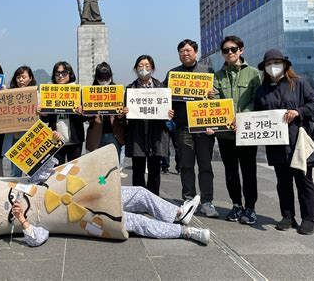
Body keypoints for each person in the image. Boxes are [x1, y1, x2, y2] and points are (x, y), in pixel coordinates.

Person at [10, 158, 209, 247]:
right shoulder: (33, 218)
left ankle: (177, 214)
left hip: (93, 192)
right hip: (90, 215)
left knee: (139, 192)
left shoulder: (30, 183)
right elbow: (37, 238)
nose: (13, 201)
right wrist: (22, 220)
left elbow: (46, 167)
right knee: (136, 221)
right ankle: (186, 232)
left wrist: (55, 140)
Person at [254, 49, 314, 235]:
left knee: (304, 181)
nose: (272, 67)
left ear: (284, 65)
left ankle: (308, 218)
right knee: (283, 182)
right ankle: (288, 216)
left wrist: (299, 111)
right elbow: (257, 115)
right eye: (268, 64)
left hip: (298, 141)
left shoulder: (298, 83)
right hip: (276, 144)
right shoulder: (262, 91)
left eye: (276, 63)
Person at [164, 39, 219, 217]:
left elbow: (218, 100)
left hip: (204, 127)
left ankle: (207, 201)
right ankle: (188, 198)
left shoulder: (207, 71)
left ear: (195, 52)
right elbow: (164, 98)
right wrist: (167, 110)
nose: (185, 54)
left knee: (205, 165)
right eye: (181, 51)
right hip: (183, 127)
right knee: (186, 165)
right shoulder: (173, 74)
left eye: (188, 50)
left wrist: (213, 95)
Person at [213, 36, 261, 225]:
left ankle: (250, 207)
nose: (230, 53)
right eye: (226, 50)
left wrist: (243, 117)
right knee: (230, 171)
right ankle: (236, 205)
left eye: (233, 49)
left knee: (249, 171)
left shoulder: (254, 73)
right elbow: (215, 101)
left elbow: (257, 99)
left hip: (247, 132)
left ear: (241, 50)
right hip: (225, 134)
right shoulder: (217, 76)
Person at [124, 55, 173, 196]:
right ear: (135, 68)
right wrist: (124, 112)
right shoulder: (130, 90)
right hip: (137, 135)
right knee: (138, 171)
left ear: (152, 68)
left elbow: (168, 113)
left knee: (154, 170)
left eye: (147, 65)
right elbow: (123, 118)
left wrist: (168, 113)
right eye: (140, 65)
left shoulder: (162, 88)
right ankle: (138, 200)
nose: (143, 68)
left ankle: (153, 200)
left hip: (156, 135)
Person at [85, 62, 127, 178]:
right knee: (97, 170)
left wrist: (121, 114)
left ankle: (112, 192)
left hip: (115, 135)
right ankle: (100, 191)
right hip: (96, 135)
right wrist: (86, 113)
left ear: (110, 76)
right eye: (101, 77)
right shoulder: (90, 92)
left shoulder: (118, 91)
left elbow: (122, 116)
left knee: (113, 169)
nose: (104, 80)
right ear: (96, 78)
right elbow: (88, 117)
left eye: (106, 77)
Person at [40, 61, 85, 165]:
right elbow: (46, 119)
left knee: (74, 170)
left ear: (70, 75)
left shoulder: (77, 91)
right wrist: (43, 114)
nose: (60, 76)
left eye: (64, 73)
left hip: (75, 139)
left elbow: (85, 118)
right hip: (55, 138)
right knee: (56, 171)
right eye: (57, 73)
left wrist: (81, 113)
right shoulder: (49, 92)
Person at [1, 66, 37, 177]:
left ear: (30, 78)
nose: (21, 80)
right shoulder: (8, 94)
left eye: (23, 77)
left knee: (31, 169)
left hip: (30, 137)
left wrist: (41, 110)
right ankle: (15, 192)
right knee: (15, 170)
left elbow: (43, 115)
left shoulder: (36, 94)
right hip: (14, 137)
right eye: (18, 77)